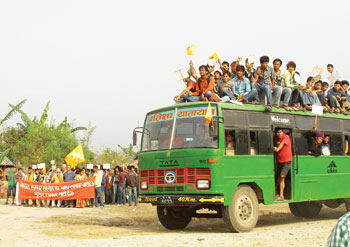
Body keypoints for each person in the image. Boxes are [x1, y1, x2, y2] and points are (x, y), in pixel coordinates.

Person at [273, 129, 292, 201]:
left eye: (280, 132)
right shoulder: (275, 138)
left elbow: (281, 145)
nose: (279, 134)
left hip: (287, 161)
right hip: (279, 161)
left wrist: (277, 148)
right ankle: (276, 190)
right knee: (279, 177)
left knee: (282, 176)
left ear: (282, 132)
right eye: (277, 132)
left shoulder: (286, 137)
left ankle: (281, 195)